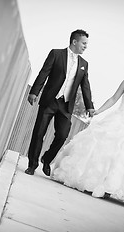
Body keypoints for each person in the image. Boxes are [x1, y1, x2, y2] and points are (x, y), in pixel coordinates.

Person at [52, 58, 124, 213]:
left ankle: (109, 188)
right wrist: (98, 111)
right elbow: (114, 98)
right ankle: (96, 184)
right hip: (120, 117)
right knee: (105, 151)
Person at [25, 29, 95, 176]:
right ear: (74, 41)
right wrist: (34, 92)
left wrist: (90, 106)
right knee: (39, 133)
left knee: (62, 135)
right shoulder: (56, 54)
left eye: (86, 44)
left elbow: (85, 85)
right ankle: (32, 165)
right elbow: (44, 73)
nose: (85, 46)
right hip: (50, 100)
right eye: (84, 43)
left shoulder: (84, 64)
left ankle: (47, 158)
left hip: (66, 105)